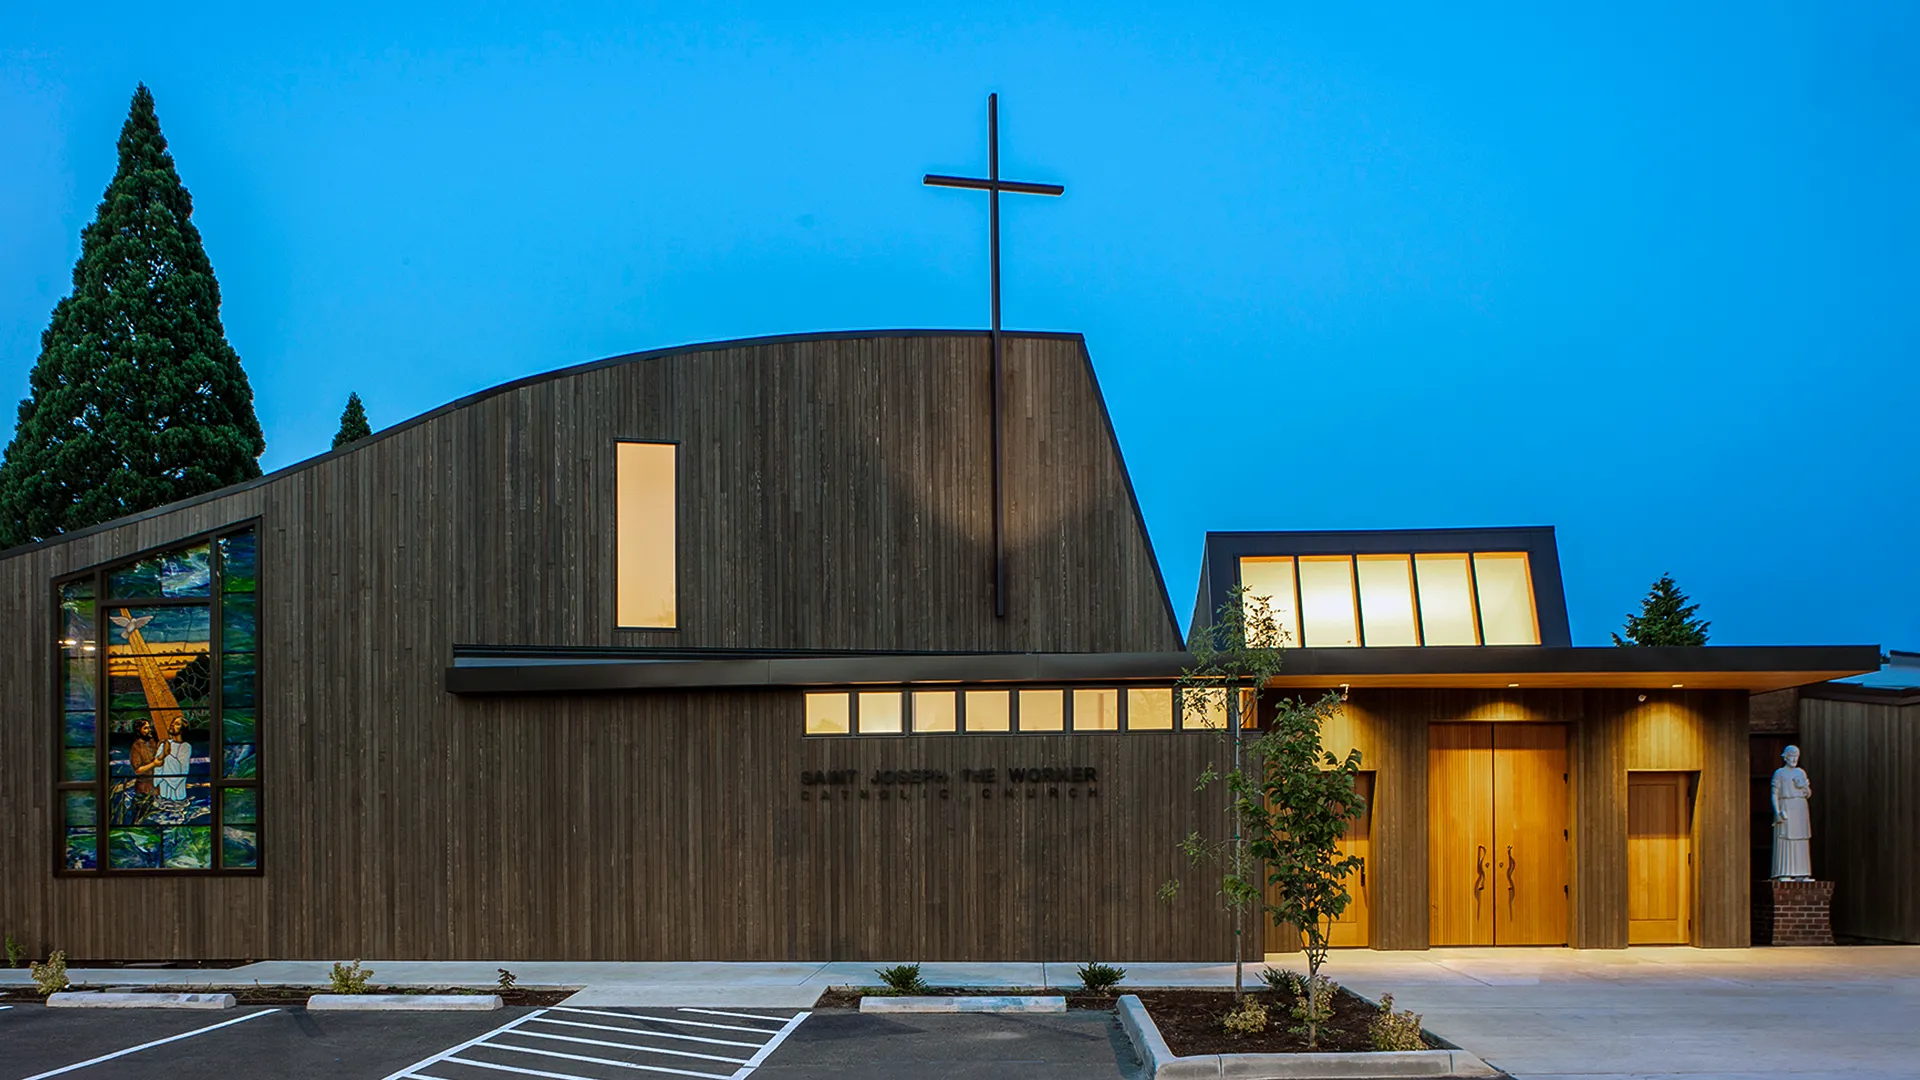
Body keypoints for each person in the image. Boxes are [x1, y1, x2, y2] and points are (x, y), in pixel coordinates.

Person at [1771, 745, 1812, 881]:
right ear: (1786, 757)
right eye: (1791, 756)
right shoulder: (1780, 773)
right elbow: (1774, 794)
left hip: (1800, 807)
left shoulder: (1801, 773)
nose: (1794, 759)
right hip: (1786, 806)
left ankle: (1802, 872)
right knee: (1786, 838)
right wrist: (1777, 812)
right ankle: (1784, 872)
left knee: (1801, 838)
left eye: (1796, 756)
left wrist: (1804, 787)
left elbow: (1808, 793)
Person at [153, 714, 191, 802]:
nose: (172, 725)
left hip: (177, 792)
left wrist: (167, 755)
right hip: (163, 789)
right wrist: (163, 754)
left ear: (182, 730)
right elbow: (156, 764)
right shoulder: (164, 744)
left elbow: (182, 770)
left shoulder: (185, 746)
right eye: (173, 723)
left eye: (177, 724)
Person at [128, 718, 161, 797]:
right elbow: (138, 770)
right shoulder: (136, 747)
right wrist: (154, 764)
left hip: (157, 787)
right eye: (145, 728)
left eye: (149, 727)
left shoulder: (152, 742)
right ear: (138, 730)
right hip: (143, 790)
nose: (149, 730)